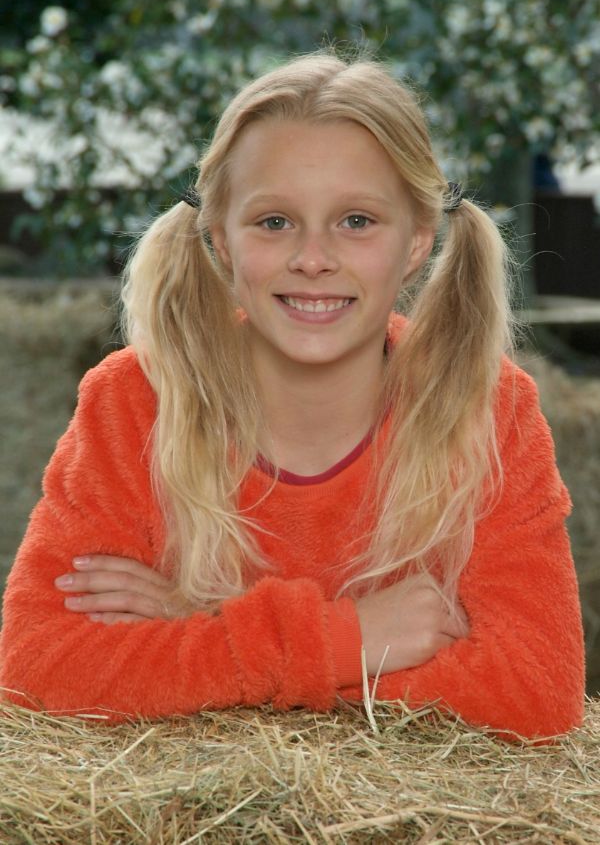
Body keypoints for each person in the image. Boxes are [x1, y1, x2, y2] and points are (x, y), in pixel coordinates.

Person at [0, 52, 585, 739]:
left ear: (417, 241)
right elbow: (35, 667)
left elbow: (535, 690)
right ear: (220, 238)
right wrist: (349, 638)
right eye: (274, 222)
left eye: (357, 221)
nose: (313, 257)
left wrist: (201, 625)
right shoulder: (134, 402)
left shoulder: (489, 411)